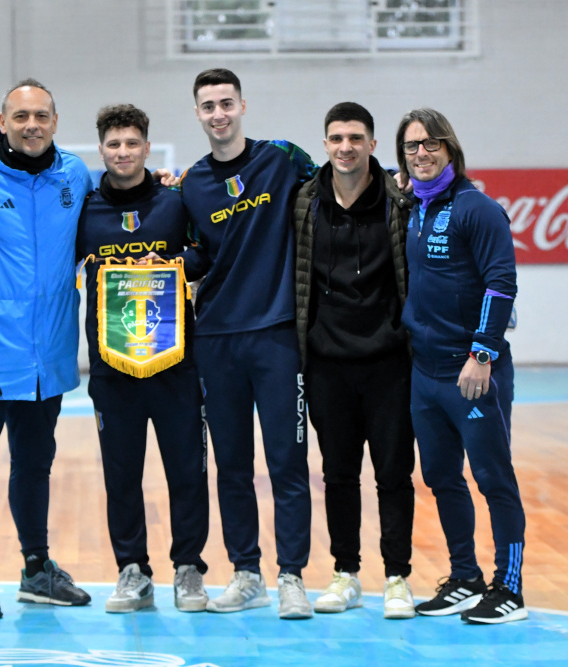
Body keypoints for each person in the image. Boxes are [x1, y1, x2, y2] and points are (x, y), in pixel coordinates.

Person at [177, 68, 318, 620]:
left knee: (287, 461)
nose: (218, 114)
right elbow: (194, 255)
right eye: (208, 105)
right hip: (216, 339)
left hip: (278, 336)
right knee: (232, 465)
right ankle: (246, 572)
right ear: (197, 113)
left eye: (226, 103)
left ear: (242, 105)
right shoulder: (189, 183)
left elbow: (340, 181)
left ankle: (292, 576)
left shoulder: (284, 157)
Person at [0, 79, 93, 618]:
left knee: (35, 467)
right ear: (2, 120)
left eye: (41, 115)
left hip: (49, 358)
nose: (31, 125)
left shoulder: (75, 176)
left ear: (55, 121)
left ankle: (37, 570)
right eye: (21, 116)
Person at [76, 104, 210, 613]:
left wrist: (175, 262)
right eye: (114, 144)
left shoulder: (176, 201)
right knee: (122, 474)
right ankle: (132, 570)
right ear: (102, 150)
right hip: (113, 369)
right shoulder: (85, 212)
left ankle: (189, 568)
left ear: (147, 148)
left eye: (132, 143)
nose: (124, 152)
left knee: (187, 472)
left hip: (176, 363)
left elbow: (207, 252)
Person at [396, 108, 527, 624]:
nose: (421, 153)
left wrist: (482, 355)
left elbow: (502, 283)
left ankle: (509, 587)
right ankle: (466, 577)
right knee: (441, 477)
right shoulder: (413, 207)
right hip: (424, 373)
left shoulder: (479, 209)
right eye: (411, 146)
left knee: (494, 478)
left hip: (472, 372)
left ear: (450, 148)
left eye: (431, 144)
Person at [293, 102, 417, 618]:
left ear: (371, 144)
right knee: (338, 474)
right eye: (336, 138)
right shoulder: (304, 202)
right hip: (326, 363)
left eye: (356, 138)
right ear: (324, 144)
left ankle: (397, 578)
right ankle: (345, 572)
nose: (346, 146)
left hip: (389, 362)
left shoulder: (398, 199)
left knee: (393, 474)